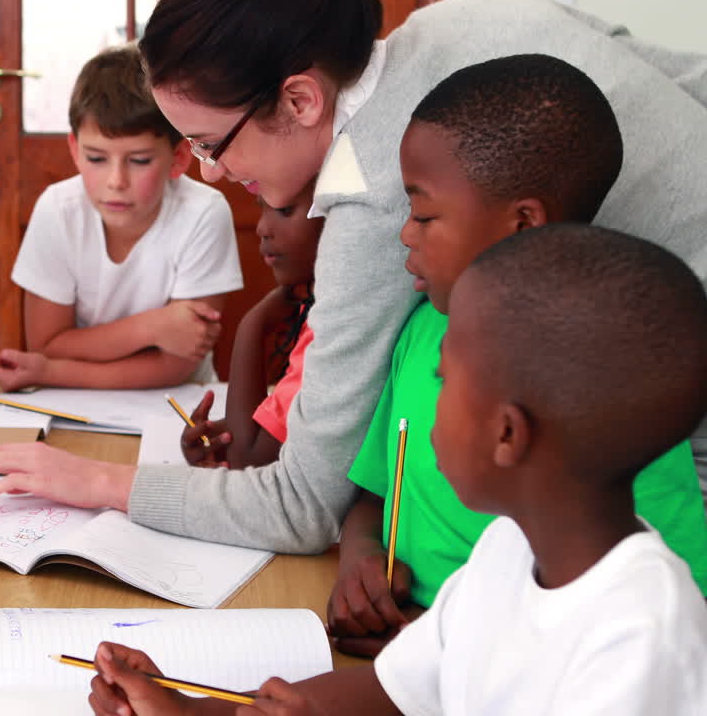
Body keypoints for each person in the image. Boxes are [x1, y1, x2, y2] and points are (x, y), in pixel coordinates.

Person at [0, 0, 707, 552]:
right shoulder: (457, 19)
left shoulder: (379, 200)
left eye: (211, 144)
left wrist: (96, 482)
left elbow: (300, 506)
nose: (210, 173)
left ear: (301, 99)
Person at [86, 224, 707, 716]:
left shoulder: (639, 636)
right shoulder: (509, 552)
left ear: (507, 434)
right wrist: (198, 710)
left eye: (444, 381)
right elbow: (396, 691)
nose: (429, 403)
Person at [327, 54, 707, 658]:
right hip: (403, 658)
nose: (404, 233)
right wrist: (360, 562)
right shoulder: (420, 332)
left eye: (423, 214)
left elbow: (667, 613)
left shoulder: (610, 374)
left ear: (523, 222)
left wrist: (443, 657)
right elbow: (375, 496)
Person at [0, 43, 241, 391]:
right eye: (96, 158)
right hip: (72, 395)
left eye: (139, 161)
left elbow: (177, 365)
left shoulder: (204, 213)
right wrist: (152, 327)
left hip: (179, 398)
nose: (116, 181)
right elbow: (46, 345)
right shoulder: (57, 210)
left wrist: (51, 370)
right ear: (75, 150)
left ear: (179, 158)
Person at [179, 183, 321, 468]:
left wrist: (252, 326)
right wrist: (225, 440)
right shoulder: (313, 311)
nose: (261, 228)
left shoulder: (328, 329)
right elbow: (256, 445)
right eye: (262, 209)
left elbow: (248, 459)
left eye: (284, 211)